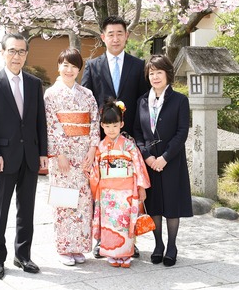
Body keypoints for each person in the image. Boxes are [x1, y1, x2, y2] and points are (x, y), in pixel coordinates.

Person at [0, 33, 48, 280]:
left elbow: (40, 121)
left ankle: (23, 255)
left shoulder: (34, 83)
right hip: (4, 158)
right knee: (0, 209)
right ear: (3, 52)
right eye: (12, 51)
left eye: (21, 51)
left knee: (26, 209)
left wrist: (43, 152)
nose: (16, 56)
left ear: (26, 54)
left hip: (29, 156)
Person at [81, 15, 149, 258]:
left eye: (120, 33)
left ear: (126, 35)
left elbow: (143, 102)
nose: (116, 38)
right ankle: (103, 240)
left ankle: (129, 238)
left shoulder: (138, 65)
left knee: (127, 192)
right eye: (110, 34)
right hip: (103, 139)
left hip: (128, 139)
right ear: (103, 37)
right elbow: (87, 102)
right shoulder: (93, 66)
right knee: (104, 193)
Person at [133, 54, 193, 267]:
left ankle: (172, 245)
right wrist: (147, 156)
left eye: (159, 72)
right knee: (154, 204)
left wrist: (164, 157)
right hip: (149, 162)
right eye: (151, 73)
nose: (155, 76)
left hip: (171, 161)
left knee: (172, 205)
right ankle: (158, 244)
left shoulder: (180, 100)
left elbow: (182, 132)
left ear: (168, 74)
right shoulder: (141, 101)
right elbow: (137, 132)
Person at [44, 48, 100, 266]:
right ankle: (64, 247)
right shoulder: (50, 94)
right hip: (62, 157)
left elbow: (94, 121)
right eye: (65, 65)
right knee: (63, 201)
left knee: (83, 202)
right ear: (58, 66)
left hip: (83, 156)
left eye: (74, 66)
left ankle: (79, 247)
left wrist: (92, 149)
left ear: (79, 69)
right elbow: (50, 125)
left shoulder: (86, 94)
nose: (69, 70)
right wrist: (59, 153)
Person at [90, 98, 150, 268]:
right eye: (107, 126)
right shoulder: (100, 147)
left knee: (125, 220)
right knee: (110, 221)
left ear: (122, 124)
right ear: (102, 126)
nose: (111, 129)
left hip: (126, 190)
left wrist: (140, 187)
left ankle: (125, 253)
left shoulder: (129, 145)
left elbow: (138, 166)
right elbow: (96, 170)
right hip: (107, 191)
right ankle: (111, 253)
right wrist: (96, 186)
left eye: (115, 125)